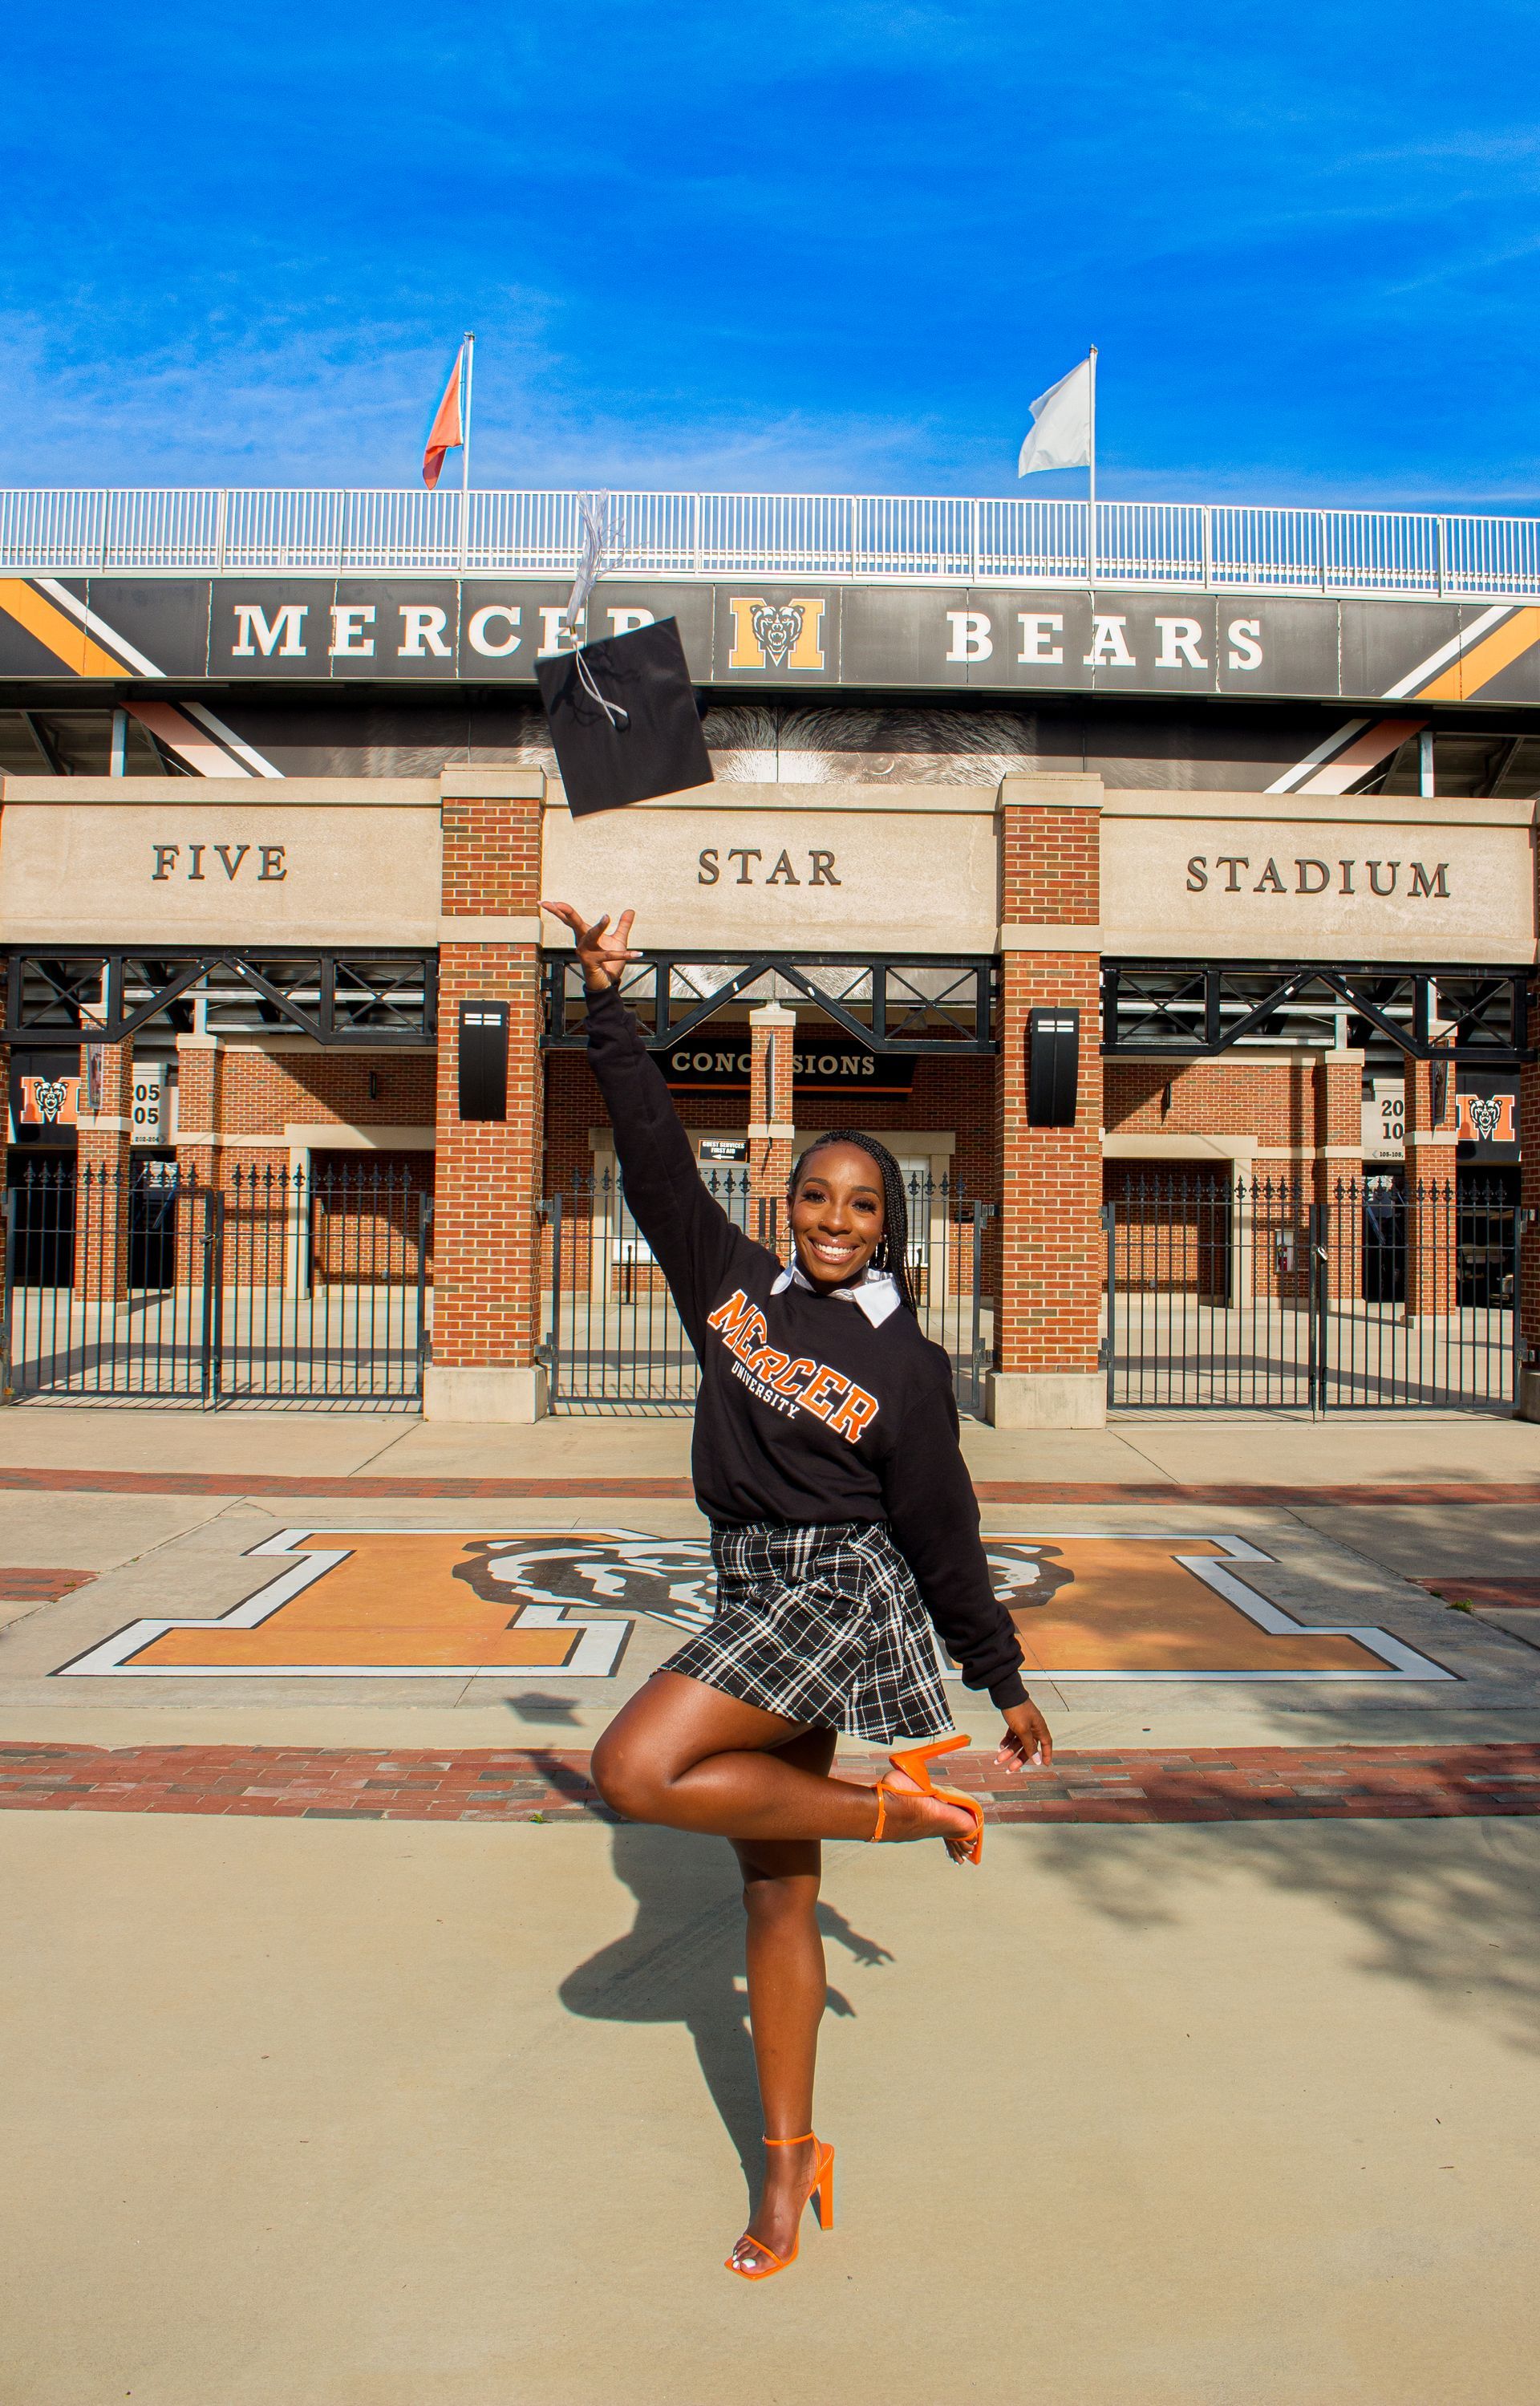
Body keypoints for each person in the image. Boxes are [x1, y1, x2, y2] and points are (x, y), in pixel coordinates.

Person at [542, 899, 1054, 2282]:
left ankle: (907, 1806)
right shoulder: (732, 1289)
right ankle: (790, 2170)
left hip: (834, 1595)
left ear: (892, 1222)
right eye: (817, 1198)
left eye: (862, 1204)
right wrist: (608, 998)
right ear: (789, 1209)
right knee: (776, 1892)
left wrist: (998, 1675)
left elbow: (943, 1526)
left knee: (636, 1768)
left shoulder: (909, 1365)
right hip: (747, 1586)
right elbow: (650, 1157)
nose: (835, 1220)